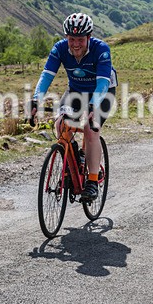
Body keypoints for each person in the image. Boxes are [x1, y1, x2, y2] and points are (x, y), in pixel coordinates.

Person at [28, 13, 117, 202]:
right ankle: (76, 158)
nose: (75, 44)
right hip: (75, 91)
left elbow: (102, 83)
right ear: (66, 37)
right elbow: (46, 76)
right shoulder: (59, 49)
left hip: (102, 92)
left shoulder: (101, 49)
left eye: (80, 39)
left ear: (88, 37)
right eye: (71, 39)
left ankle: (92, 181)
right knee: (61, 125)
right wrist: (36, 100)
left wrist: (93, 105)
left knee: (90, 129)